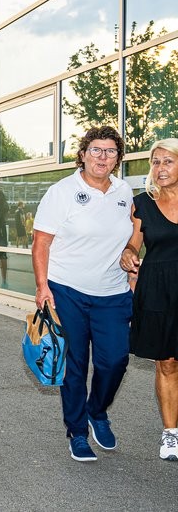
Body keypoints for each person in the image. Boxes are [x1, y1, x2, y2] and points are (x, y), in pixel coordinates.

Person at [32, 125, 133, 462]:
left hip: (113, 292)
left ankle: (97, 410)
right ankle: (76, 430)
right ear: (83, 154)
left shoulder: (125, 192)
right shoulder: (62, 192)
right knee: (74, 365)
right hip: (67, 290)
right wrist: (42, 286)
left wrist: (130, 262)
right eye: (96, 150)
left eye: (110, 151)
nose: (102, 157)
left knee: (115, 360)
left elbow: (134, 235)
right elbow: (41, 241)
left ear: (118, 157)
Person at [120, 138, 178, 462]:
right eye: (155, 162)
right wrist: (127, 256)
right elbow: (132, 245)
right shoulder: (142, 204)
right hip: (157, 289)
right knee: (167, 362)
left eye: (168, 161)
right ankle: (171, 433)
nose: (160, 168)